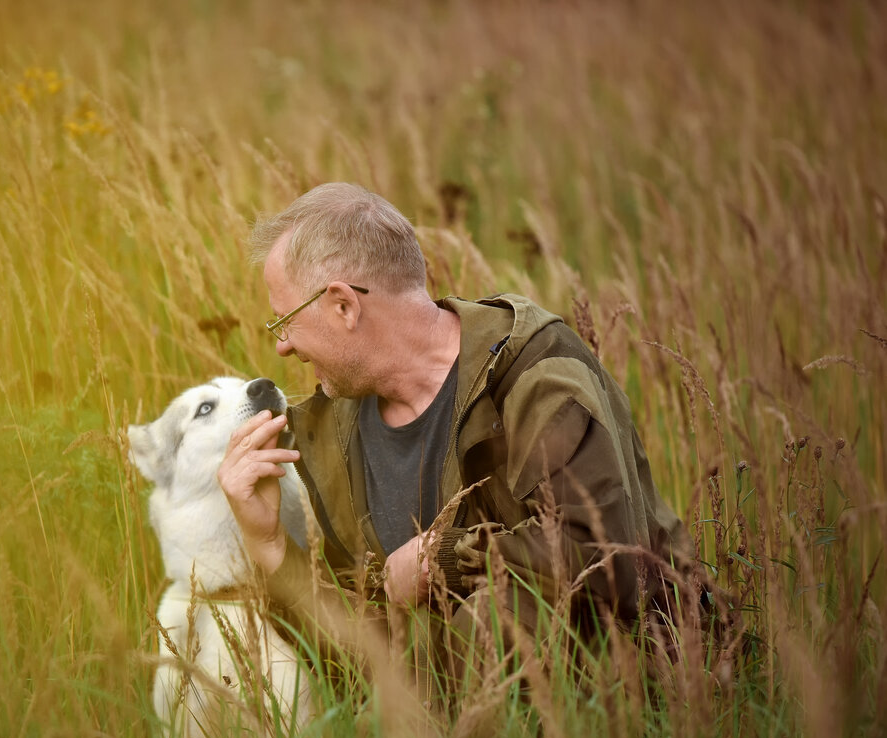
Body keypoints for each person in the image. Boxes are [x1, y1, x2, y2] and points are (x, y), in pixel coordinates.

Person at [218, 182, 698, 686]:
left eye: (285, 321)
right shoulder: (332, 432)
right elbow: (365, 651)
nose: (284, 347)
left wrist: (440, 556)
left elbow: (610, 559)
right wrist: (270, 544)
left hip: (629, 701)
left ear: (343, 306)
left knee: (498, 617)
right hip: (440, 733)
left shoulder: (535, 375)